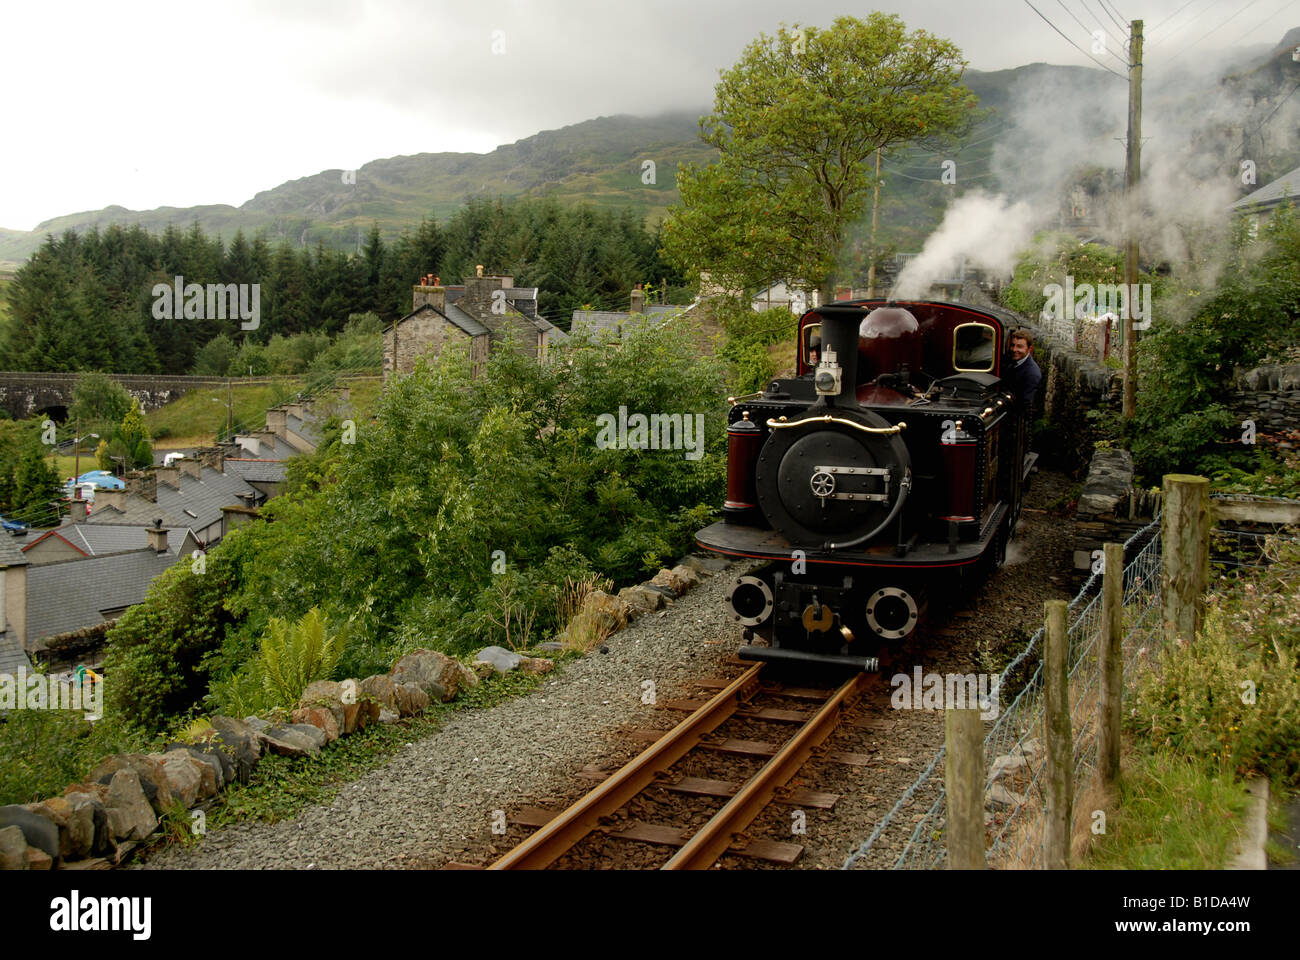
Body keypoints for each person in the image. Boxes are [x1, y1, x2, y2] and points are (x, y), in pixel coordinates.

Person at [1003, 328, 1042, 410]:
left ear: (1029, 349)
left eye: (1019, 347)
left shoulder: (1032, 373)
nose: (1014, 350)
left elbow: (1025, 403)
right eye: (1013, 345)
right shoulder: (1012, 361)